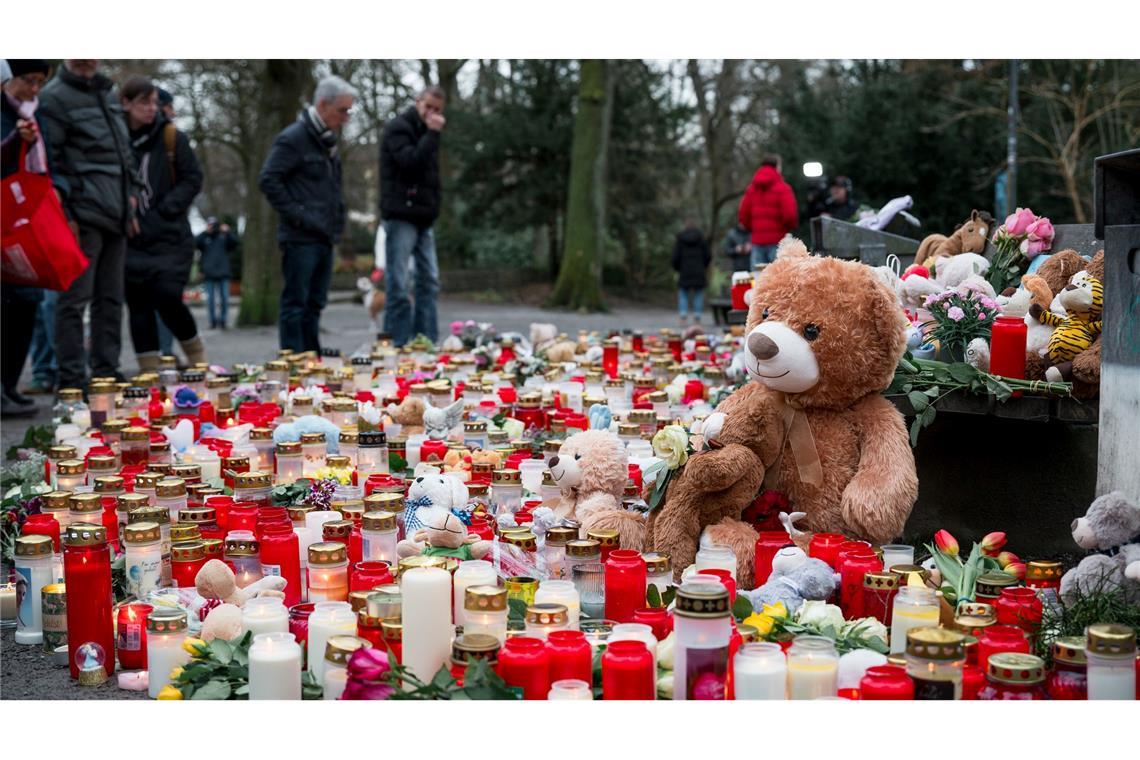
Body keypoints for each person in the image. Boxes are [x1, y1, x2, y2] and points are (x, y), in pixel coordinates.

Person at [38, 59, 140, 388]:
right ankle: (70, 381)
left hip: (117, 211)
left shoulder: (107, 93)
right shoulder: (54, 97)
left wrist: (132, 196)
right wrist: (67, 212)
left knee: (111, 299)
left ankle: (106, 372)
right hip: (83, 214)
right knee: (74, 300)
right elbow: (51, 160)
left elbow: (124, 153)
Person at [258, 75, 355, 353]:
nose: (346, 117)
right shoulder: (294, 139)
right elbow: (268, 179)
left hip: (324, 235)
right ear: (323, 105)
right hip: (300, 236)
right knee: (295, 304)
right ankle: (292, 363)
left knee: (314, 304)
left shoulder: (328, 141)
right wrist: (299, 214)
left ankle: (311, 359)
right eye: (342, 110)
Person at [118, 76, 205, 372]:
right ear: (125, 104)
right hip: (132, 239)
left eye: (155, 102)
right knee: (139, 307)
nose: (151, 108)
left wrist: (165, 210)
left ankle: (198, 362)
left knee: (168, 297)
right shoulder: (116, 139)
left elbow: (193, 179)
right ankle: (150, 374)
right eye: (144, 102)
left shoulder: (171, 137)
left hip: (170, 237)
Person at [2, 59, 65, 416]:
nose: (34, 88)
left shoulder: (33, 117)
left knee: (26, 303)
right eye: (29, 80)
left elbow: (48, 165)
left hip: (27, 219)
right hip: (5, 218)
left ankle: (8, 384)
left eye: (41, 81)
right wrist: (14, 141)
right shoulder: (9, 118)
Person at [379, 85, 445, 347]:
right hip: (400, 215)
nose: (432, 114)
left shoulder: (428, 133)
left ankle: (425, 341)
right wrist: (432, 134)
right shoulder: (399, 128)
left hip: (423, 217)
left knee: (429, 281)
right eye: (428, 107)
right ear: (418, 102)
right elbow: (410, 163)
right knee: (398, 283)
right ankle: (396, 342)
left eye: (437, 110)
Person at [738, 154, 798, 268]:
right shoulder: (783, 188)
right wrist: (786, 228)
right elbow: (790, 216)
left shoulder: (751, 189)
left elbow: (743, 215)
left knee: (758, 280)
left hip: (757, 243)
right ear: (777, 167)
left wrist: (755, 229)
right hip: (778, 243)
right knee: (779, 280)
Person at [195, 217, 238, 329]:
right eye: (208, 225)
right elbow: (195, 242)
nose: (210, 227)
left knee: (224, 298)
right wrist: (205, 232)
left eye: (212, 225)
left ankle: (223, 321)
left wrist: (228, 232)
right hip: (209, 273)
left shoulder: (223, 237)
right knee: (210, 300)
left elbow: (234, 244)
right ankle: (212, 321)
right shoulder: (204, 238)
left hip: (223, 273)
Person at [672, 219, 711, 326]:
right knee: (698, 294)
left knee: (683, 294)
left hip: (684, 271)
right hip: (699, 271)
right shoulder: (701, 239)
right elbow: (708, 256)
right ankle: (697, 318)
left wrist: (677, 268)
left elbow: (675, 257)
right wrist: (704, 266)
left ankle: (683, 317)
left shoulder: (680, 240)